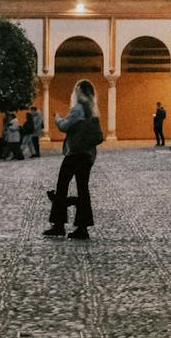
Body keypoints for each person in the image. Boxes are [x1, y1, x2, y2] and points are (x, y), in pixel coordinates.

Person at [43, 79, 103, 240]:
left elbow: (64, 126)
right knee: (83, 189)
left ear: (79, 92)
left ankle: (58, 224)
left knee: (62, 185)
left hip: (75, 153)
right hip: (88, 155)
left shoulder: (77, 109)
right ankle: (82, 227)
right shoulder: (92, 110)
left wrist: (56, 118)